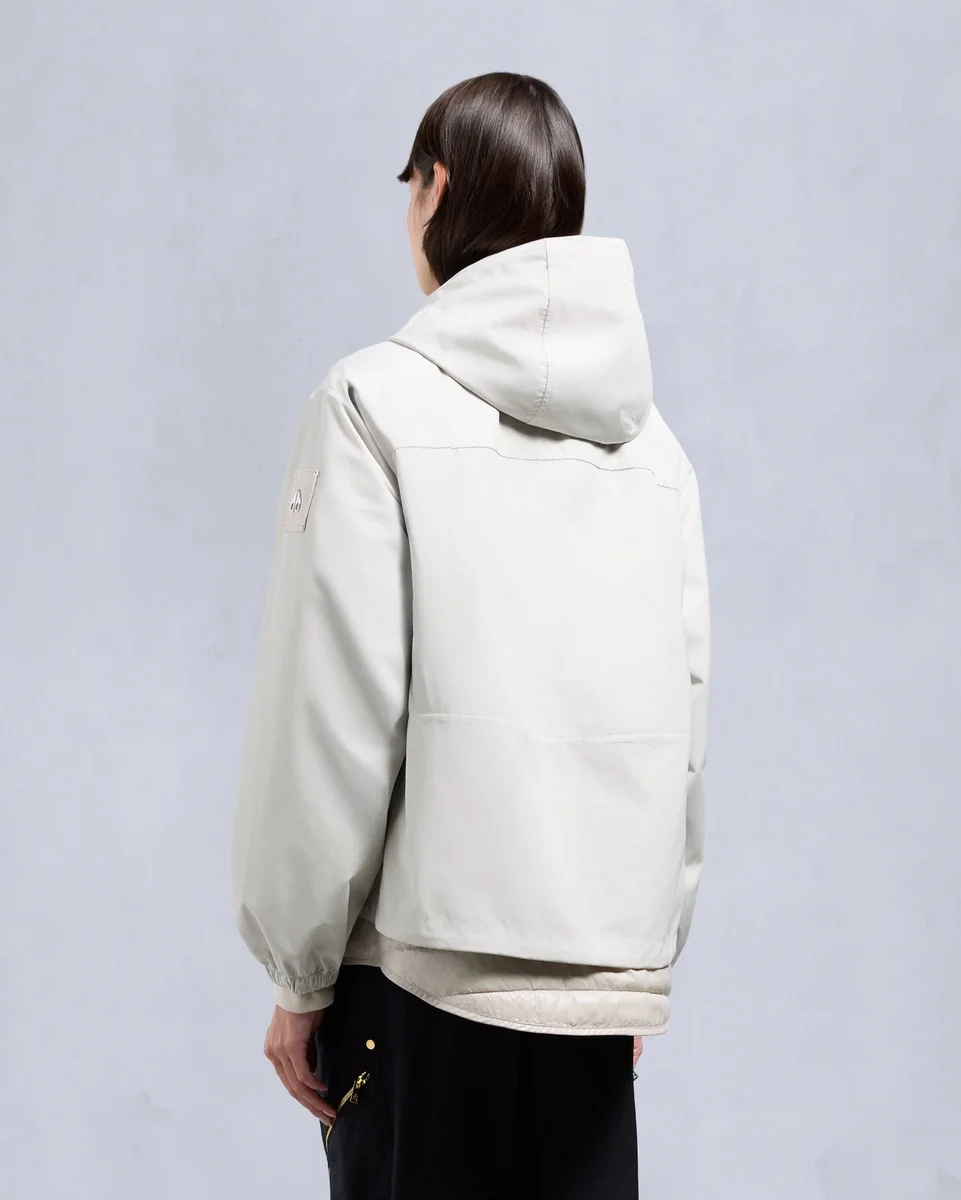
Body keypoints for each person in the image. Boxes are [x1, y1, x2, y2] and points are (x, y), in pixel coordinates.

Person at [231, 71, 711, 1200]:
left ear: (436, 188)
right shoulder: (655, 452)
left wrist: (298, 975)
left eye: (410, 185)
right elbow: (681, 724)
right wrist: (626, 964)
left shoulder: (369, 406)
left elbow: (334, 718)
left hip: (415, 992)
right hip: (594, 995)